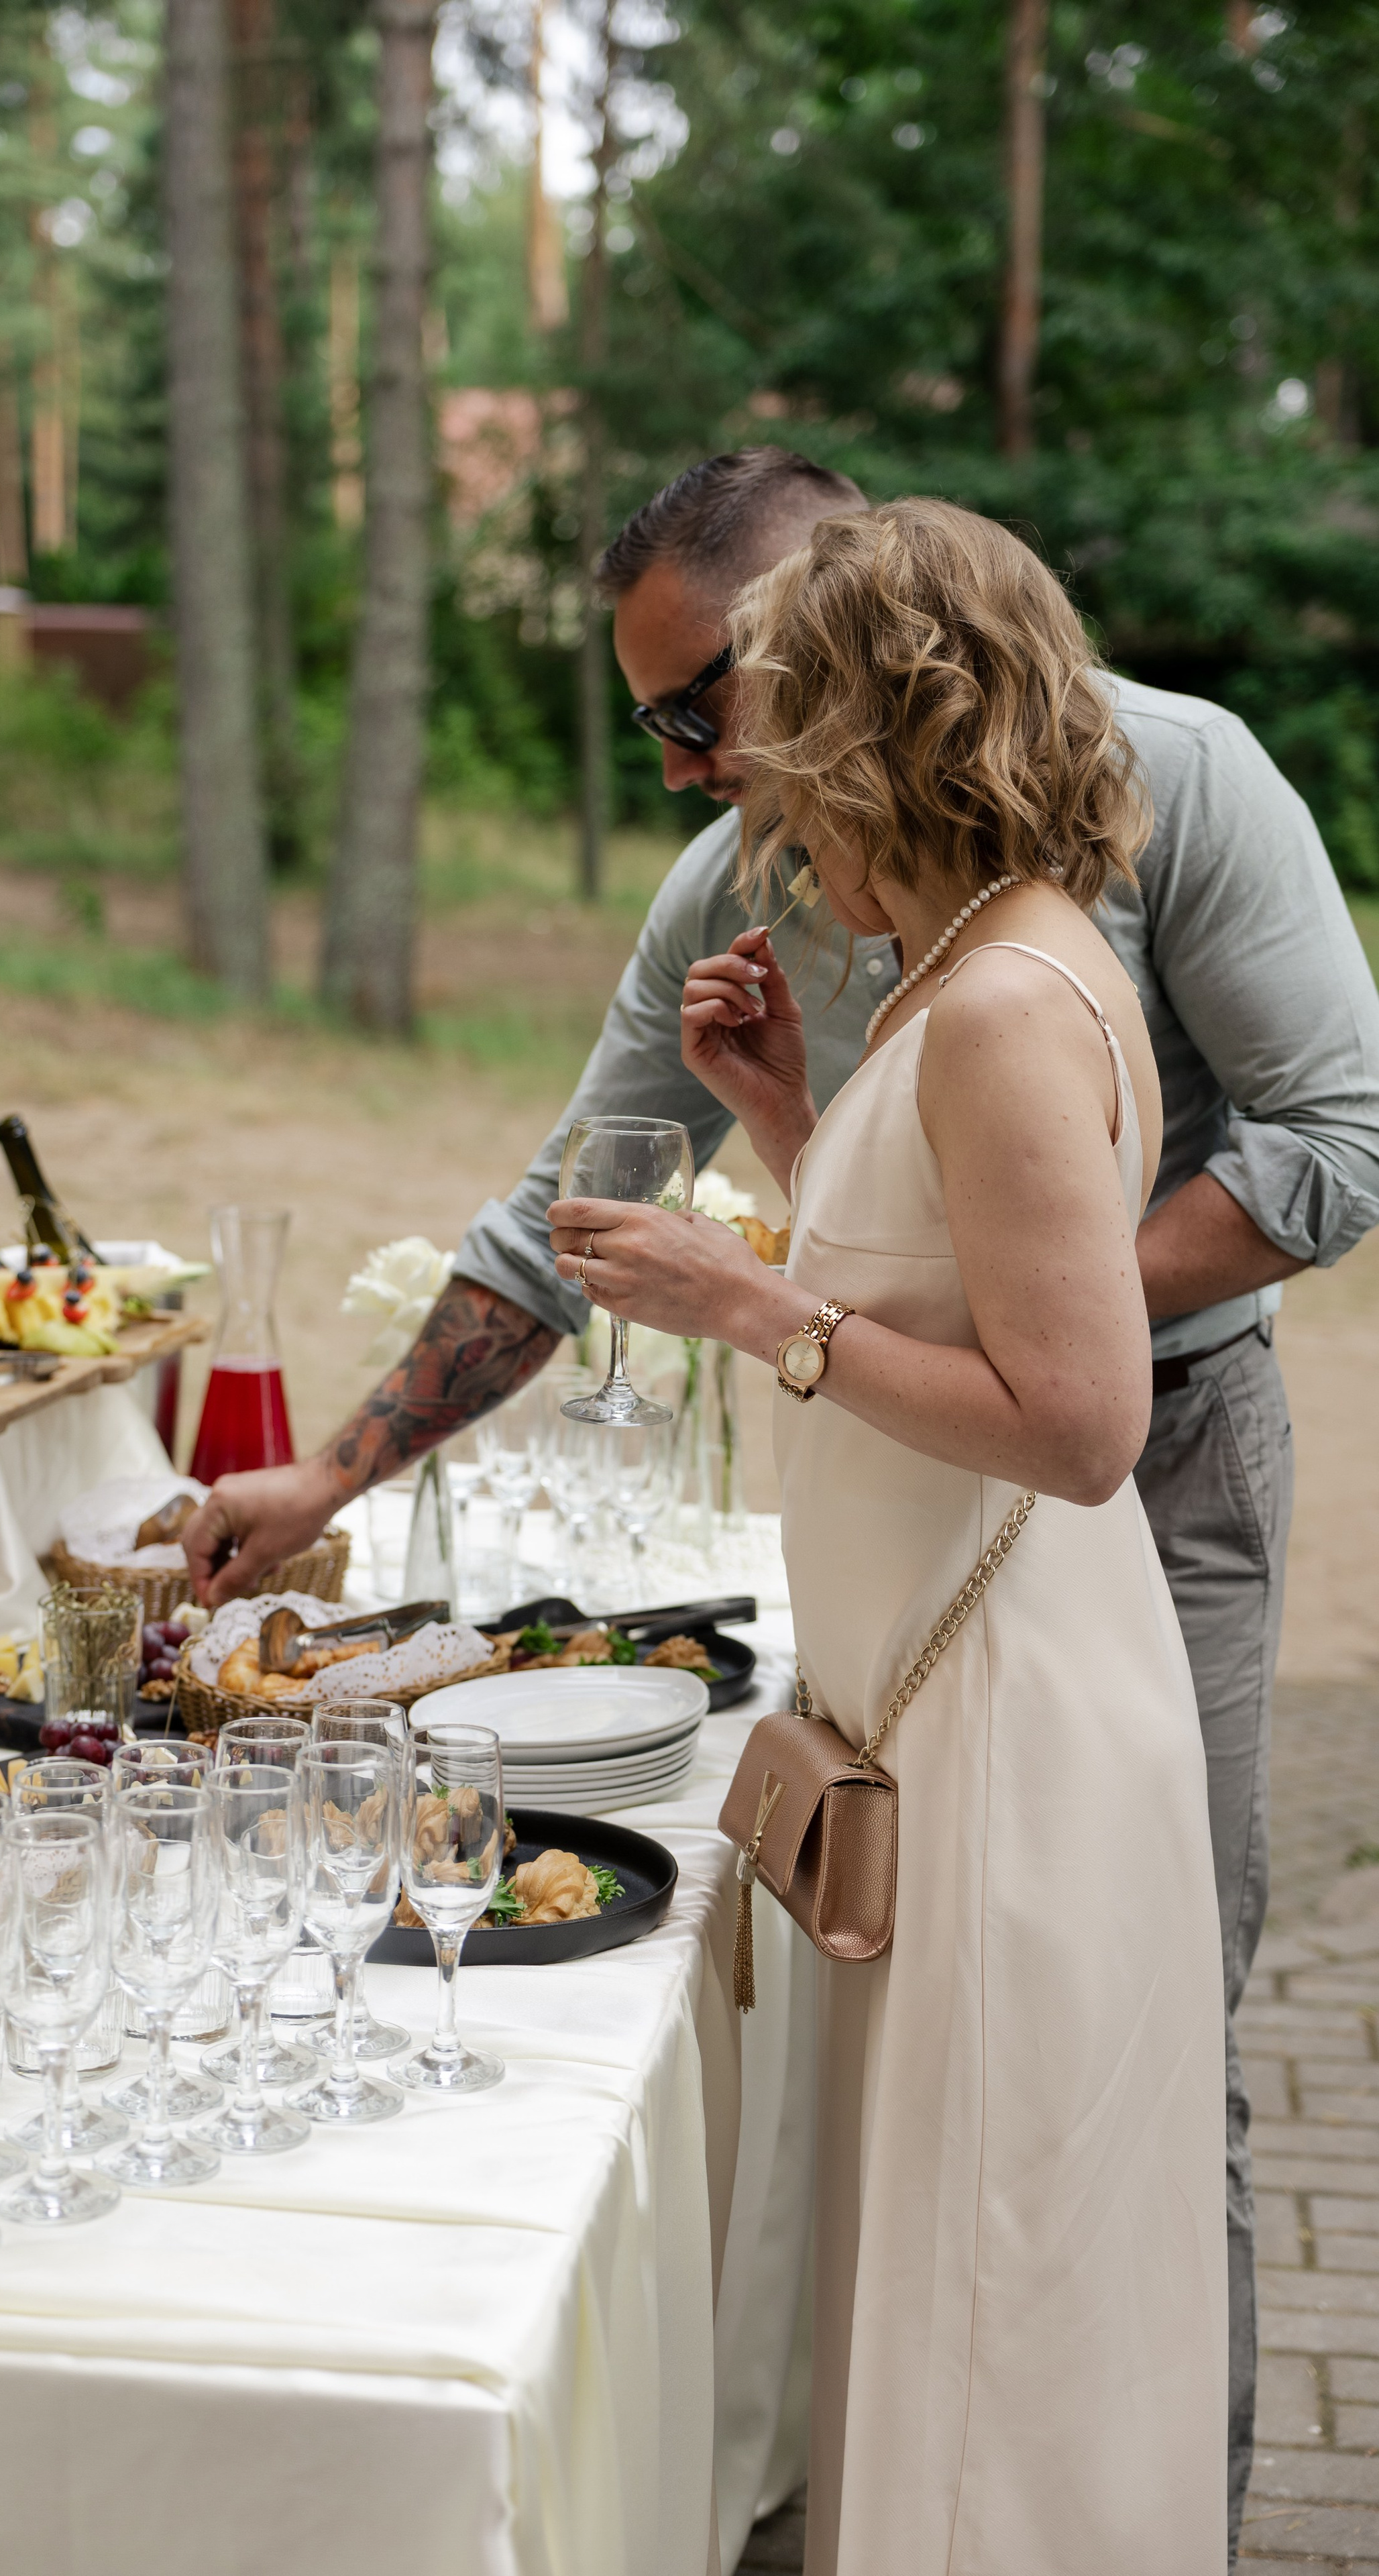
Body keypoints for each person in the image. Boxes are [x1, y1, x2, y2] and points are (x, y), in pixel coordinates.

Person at [184, 447, 1379, 2554]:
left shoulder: (1168, 800)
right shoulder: (762, 886)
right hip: (920, 1519)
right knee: (941, 2072)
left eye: (693, 714)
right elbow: (584, 1213)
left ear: (845, 636)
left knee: (1125, 2056)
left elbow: (1324, 1151)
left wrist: (851, 1298)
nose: (681, 777)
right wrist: (335, 1470)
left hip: (1125, 1496)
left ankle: (1146, 2500)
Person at [550, 494, 1229, 2569]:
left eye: (778, 734)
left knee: (995, 2334)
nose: (743, 785)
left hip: (1011, 1738)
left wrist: (751, 1302)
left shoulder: (1012, 1004)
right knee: (949, 2311)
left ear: (881, 736)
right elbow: (953, 1275)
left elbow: (1083, 1423)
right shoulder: (967, 970)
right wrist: (778, 1113)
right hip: (945, 1710)